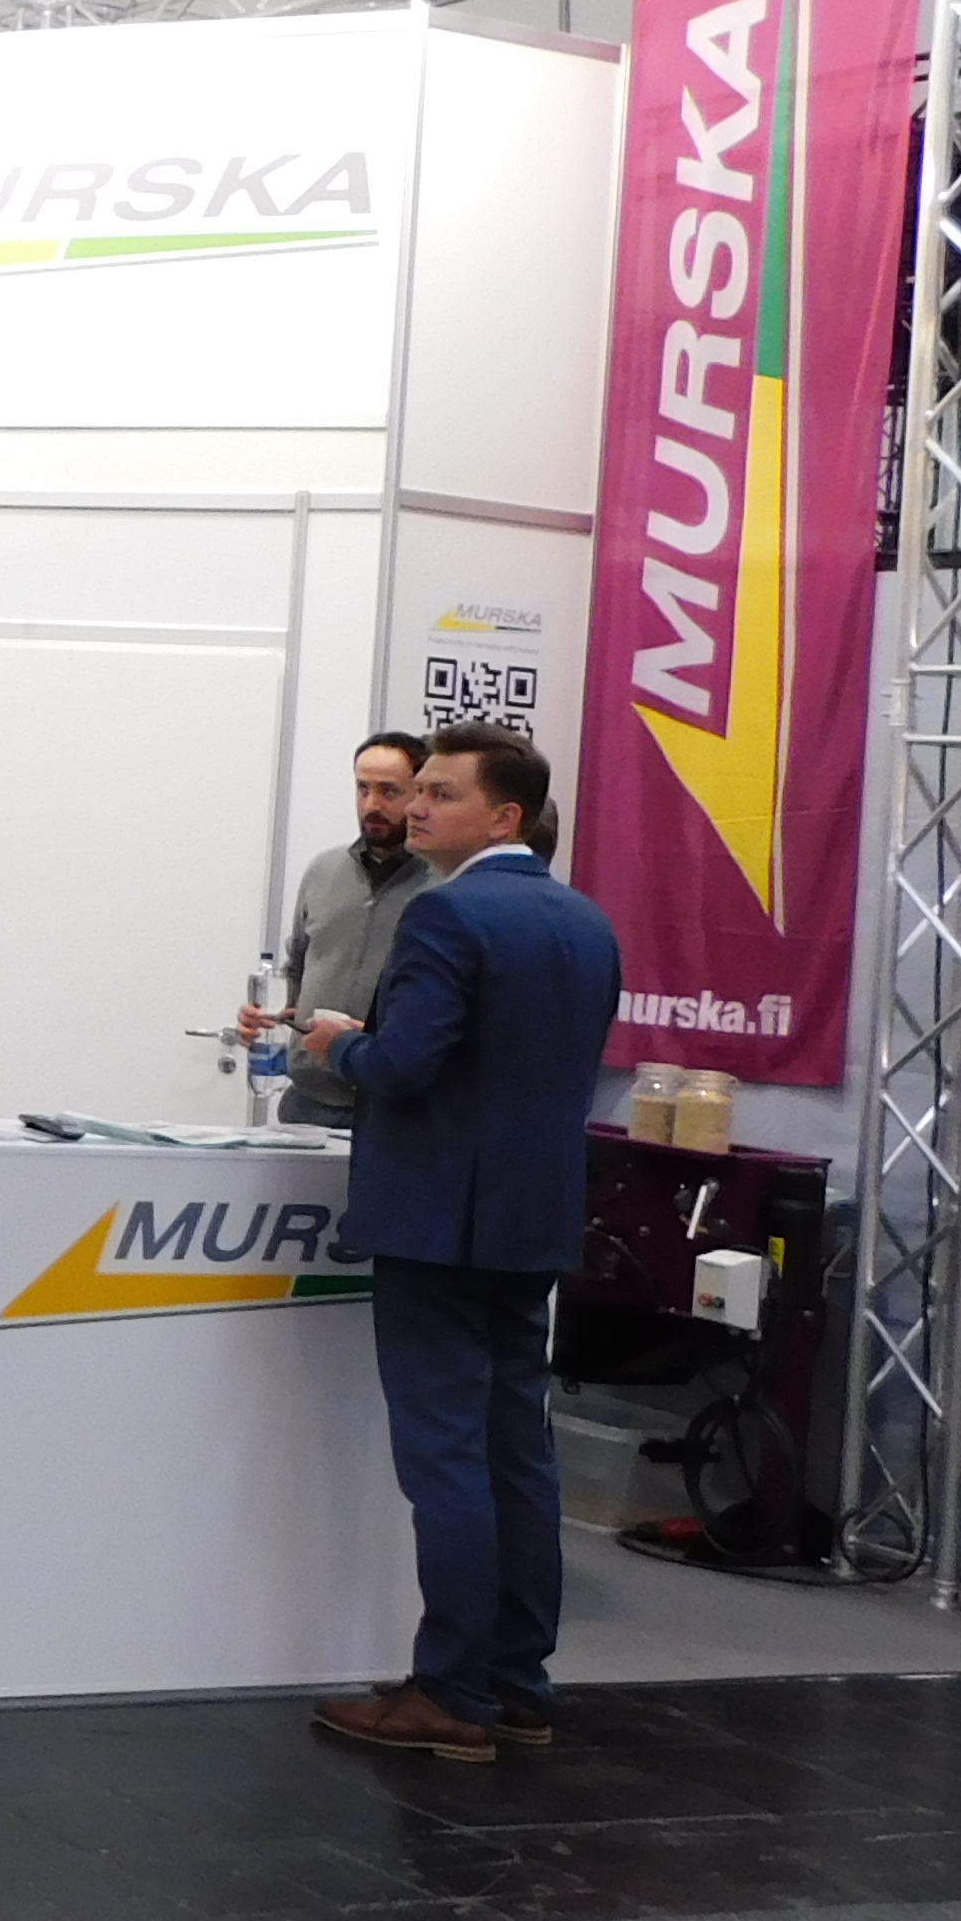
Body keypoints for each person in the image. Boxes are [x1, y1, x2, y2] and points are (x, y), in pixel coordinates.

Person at [294, 721, 621, 1766]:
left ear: (503, 815)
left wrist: (343, 1044)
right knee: (517, 1451)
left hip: (438, 1221)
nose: (416, 807)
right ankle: (517, 1684)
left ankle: (450, 1691)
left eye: (441, 793)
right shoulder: (584, 920)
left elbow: (408, 1067)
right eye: (416, 790)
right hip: (529, 1220)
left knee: (445, 1458)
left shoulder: (445, 914)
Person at [237, 732, 438, 1127]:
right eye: (363, 788)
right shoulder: (324, 870)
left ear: (420, 794)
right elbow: (298, 966)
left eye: (388, 791)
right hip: (307, 1102)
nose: (371, 805)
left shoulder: (445, 885)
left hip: (395, 1108)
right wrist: (272, 1018)